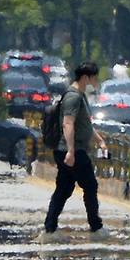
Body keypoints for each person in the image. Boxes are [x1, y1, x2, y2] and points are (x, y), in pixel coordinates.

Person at [39, 62, 111, 243]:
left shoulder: (79, 96)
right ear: (86, 77)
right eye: (94, 77)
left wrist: (99, 140)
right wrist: (70, 152)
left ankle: (50, 228)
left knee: (64, 188)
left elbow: (83, 124)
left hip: (70, 149)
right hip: (72, 150)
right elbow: (68, 123)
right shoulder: (73, 97)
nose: (96, 81)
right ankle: (96, 227)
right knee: (90, 186)